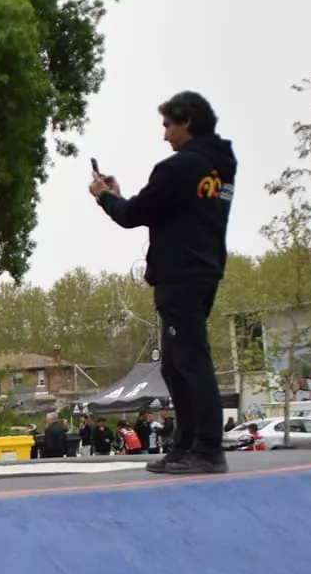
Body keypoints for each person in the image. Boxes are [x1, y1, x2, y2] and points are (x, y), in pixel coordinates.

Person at [91, 91, 237, 475]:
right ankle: (185, 445)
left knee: (189, 360)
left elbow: (133, 215)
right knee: (173, 365)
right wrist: (120, 196)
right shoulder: (219, 166)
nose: (164, 136)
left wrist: (105, 197)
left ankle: (207, 448)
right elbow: (164, 208)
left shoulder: (180, 167)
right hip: (205, 268)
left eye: (167, 125)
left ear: (186, 121)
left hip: (179, 273)